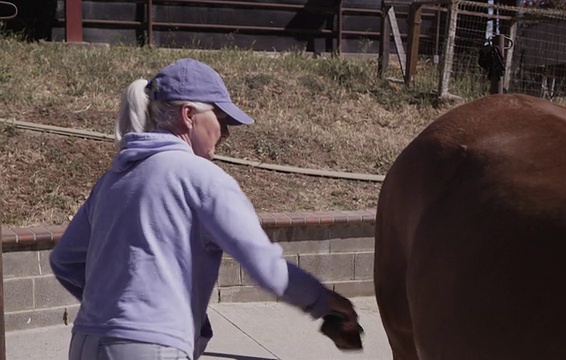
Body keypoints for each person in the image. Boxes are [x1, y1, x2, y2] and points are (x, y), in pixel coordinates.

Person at [50, 58, 360, 360]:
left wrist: (116, 307)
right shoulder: (203, 179)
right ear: (188, 115)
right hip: (152, 347)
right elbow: (265, 267)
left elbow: (65, 261)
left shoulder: (113, 180)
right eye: (222, 119)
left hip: (85, 342)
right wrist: (324, 301)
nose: (226, 133)